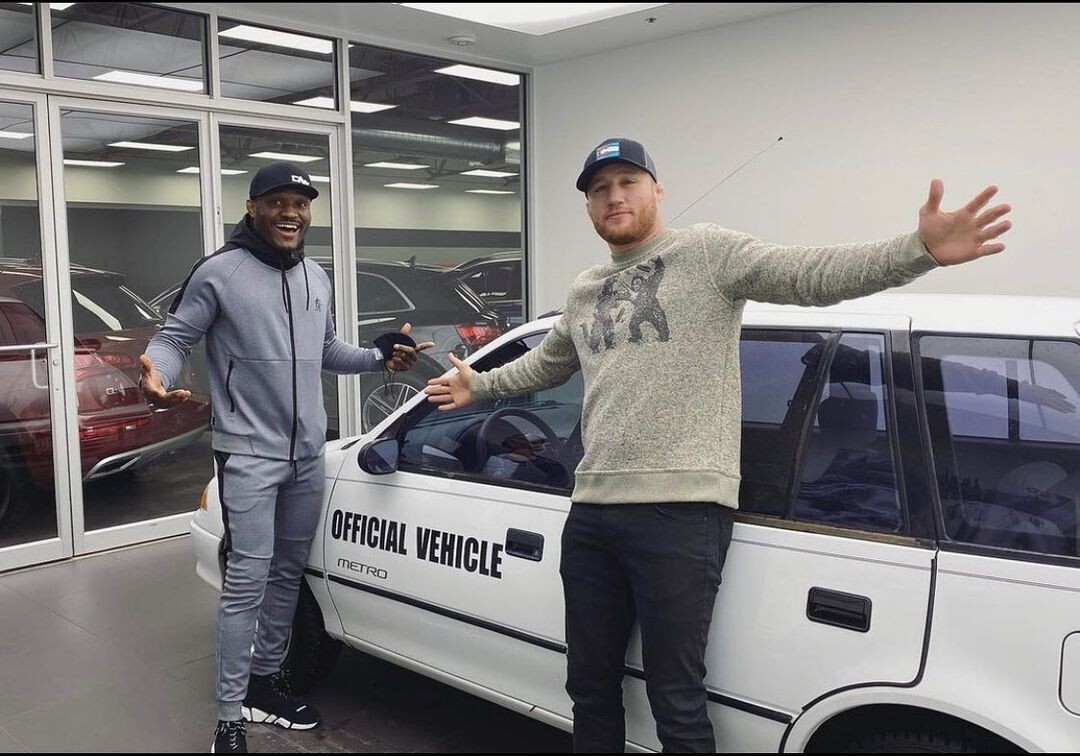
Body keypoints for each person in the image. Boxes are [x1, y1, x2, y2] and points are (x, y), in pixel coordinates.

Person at [424, 137, 1012, 752]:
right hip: (592, 511)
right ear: (590, 207)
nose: (614, 196)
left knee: (675, 698)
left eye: (628, 182)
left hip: (680, 511)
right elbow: (548, 364)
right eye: (600, 189)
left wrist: (918, 250)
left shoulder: (705, 252)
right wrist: (481, 384)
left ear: (657, 190)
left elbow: (809, 274)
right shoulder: (584, 289)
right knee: (589, 686)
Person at [139, 162, 433, 754]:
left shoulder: (314, 277)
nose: (291, 211)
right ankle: (228, 718)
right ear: (253, 208)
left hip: (307, 454)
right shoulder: (219, 272)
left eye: (300, 202)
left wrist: (380, 356)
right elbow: (173, 338)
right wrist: (156, 372)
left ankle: (263, 685)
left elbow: (325, 350)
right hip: (247, 453)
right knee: (247, 579)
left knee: (286, 576)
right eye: (277, 201)